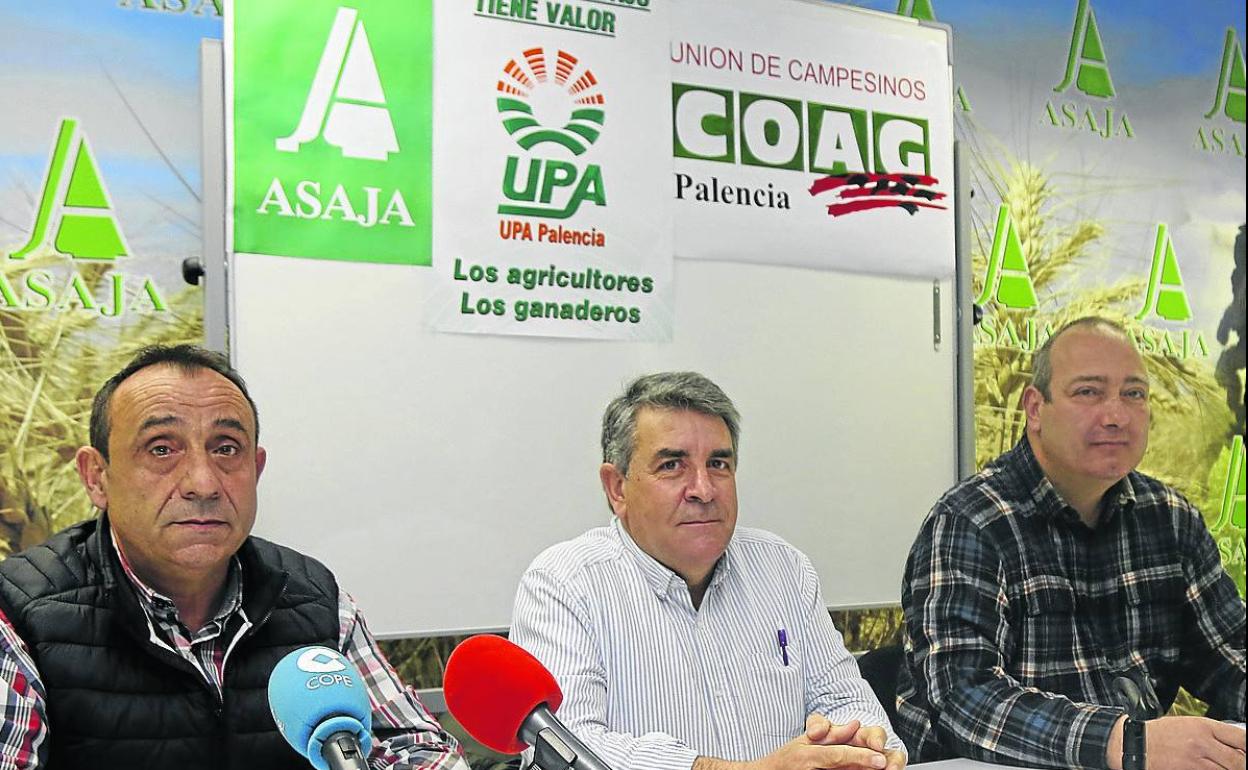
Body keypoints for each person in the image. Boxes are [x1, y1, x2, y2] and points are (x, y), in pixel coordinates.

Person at [0, 345, 466, 770]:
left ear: (256, 469)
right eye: (161, 449)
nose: (203, 483)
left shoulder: (312, 597)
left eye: (227, 449)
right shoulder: (23, 613)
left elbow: (423, 750)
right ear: (97, 476)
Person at [896, 317, 1247, 770]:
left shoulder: (1170, 519)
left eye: (1133, 394)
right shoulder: (971, 522)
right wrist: (1127, 742)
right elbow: (964, 698)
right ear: (1035, 408)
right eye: (1088, 392)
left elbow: (1230, 653)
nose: (1116, 415)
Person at [511, 371, 906, 770]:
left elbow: (844, 699)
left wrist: (863, 746)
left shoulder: (783, 568)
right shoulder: (564, 582)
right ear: (617, 488)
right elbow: (566, 748)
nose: (703, 488)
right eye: (672, 465)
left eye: (718, 463)